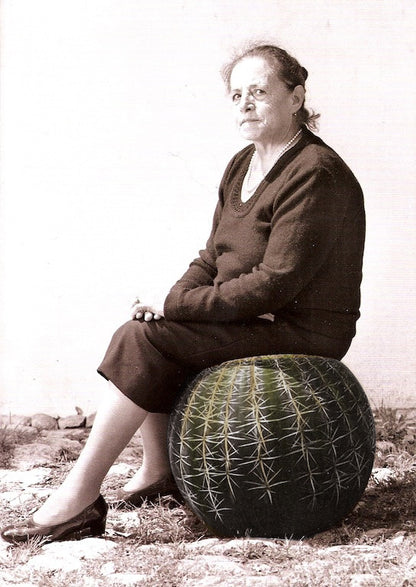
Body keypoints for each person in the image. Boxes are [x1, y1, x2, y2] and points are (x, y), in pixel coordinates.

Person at [1, 43, 365, 544]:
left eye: (259, 92)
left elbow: (275, 283)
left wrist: (176, 306)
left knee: (148, 340)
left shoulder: (315, 171)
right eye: (236, 94)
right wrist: (171, 300)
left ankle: (78, 498)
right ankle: (158, 473)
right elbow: (212, 256)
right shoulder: (242, 164)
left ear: (296, 97)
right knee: (145, 328)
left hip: (301, 329)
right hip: (254, 314)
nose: (245, 103)